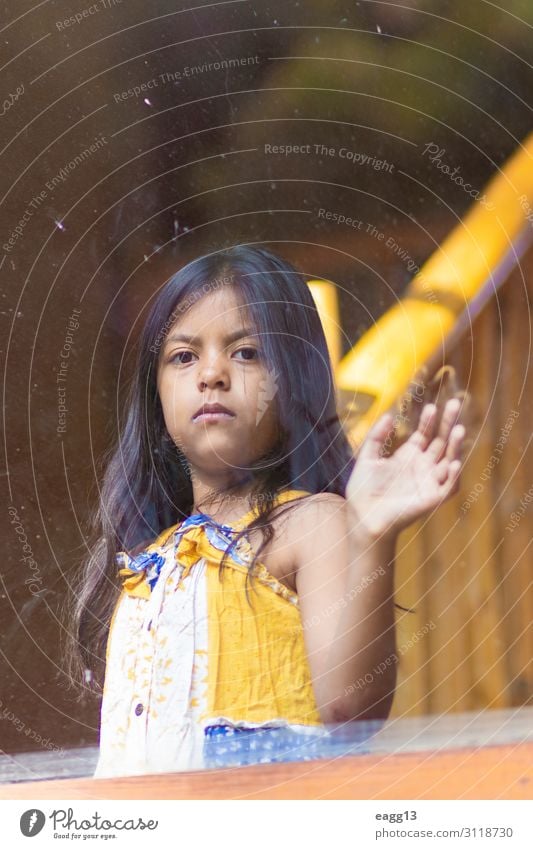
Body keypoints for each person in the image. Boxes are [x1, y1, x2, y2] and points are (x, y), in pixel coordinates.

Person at [68, 245, 464, 777]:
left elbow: (350, 710)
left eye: (247, 352)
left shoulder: (309, 523)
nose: (211, 373)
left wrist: (370, 534)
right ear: (156, 396)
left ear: (294, 382)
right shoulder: (149, 560)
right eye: (183, 356)